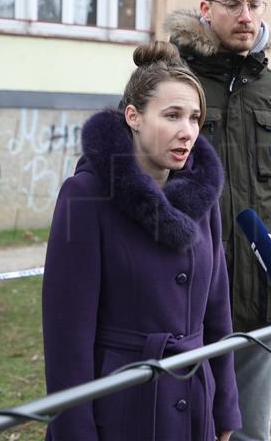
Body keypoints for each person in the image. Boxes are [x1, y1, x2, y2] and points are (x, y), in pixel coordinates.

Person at [42, 41, 241, 440]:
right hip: (121, 408)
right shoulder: (86, 197)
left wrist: (225, 413)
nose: (187, 132)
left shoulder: (202, 198)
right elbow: (67, 338)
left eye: (195, 118)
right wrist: (76, 433)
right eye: (172, 116)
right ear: (133, 116)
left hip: (194, 407)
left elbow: (217, 316)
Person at [166, 0, 271, 441]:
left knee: (250, 433)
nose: (246, 16)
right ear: (207, 8)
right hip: (186, 300)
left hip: (264, 298)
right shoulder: (170, 83)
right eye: (233, 4)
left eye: (254, 4)